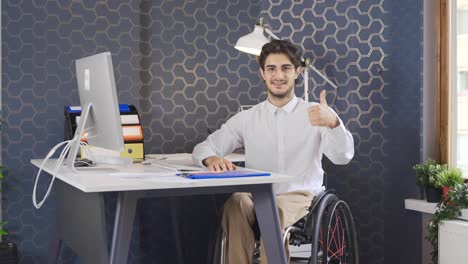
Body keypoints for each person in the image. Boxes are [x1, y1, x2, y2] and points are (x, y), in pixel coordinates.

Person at [192, 39, 354, 264]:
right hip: (255, 194)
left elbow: (343, 156)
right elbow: (204, 147)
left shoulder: (317, 114)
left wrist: (334, 123)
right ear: (262, 73)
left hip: (299, 196)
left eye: (286, 68)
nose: (278, 75)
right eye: (272, 69)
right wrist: (211, 158)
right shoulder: (248, 118)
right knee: (235, 202)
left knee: (273, 210)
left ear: (297, 72)